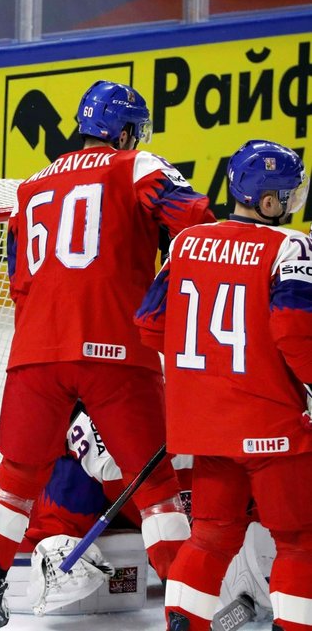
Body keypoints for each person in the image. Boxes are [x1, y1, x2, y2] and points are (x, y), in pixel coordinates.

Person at [0, 80, 217, 629]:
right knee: (155, 488)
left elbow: (18, 281)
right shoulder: (136, 166)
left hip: (35, 350)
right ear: (122, 130)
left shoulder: (28, 188)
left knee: (17, 478)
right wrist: (167, 275)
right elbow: (196, 218)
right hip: (116, 349)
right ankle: (181, 606)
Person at [135, 140, 312, 631]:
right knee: (300, 541)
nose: (294, 203)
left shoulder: (186, 242)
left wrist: (213, 376)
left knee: (211, 536)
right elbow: (295, 332)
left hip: (204, 426)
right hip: (271, 422)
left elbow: (150, 326)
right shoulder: (289, 246)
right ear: (269, 202)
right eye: (289, 195)